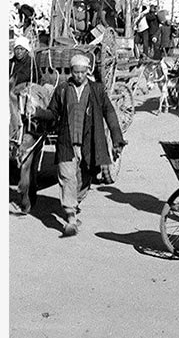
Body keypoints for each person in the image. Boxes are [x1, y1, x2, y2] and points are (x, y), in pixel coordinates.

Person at [29, 54, 126, 237]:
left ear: (88, 71)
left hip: (90, 144)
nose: (79, 75)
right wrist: (38, 112)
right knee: (67, 178)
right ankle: (71, 217)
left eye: (83, 72)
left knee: (84, 181)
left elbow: (110, 114)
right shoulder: (63, 89)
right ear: (71, 72)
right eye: (76, 72)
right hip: (67, 143)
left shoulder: (97, 90)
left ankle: (75, 202)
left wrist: (117, 139)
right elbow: (52, 114)